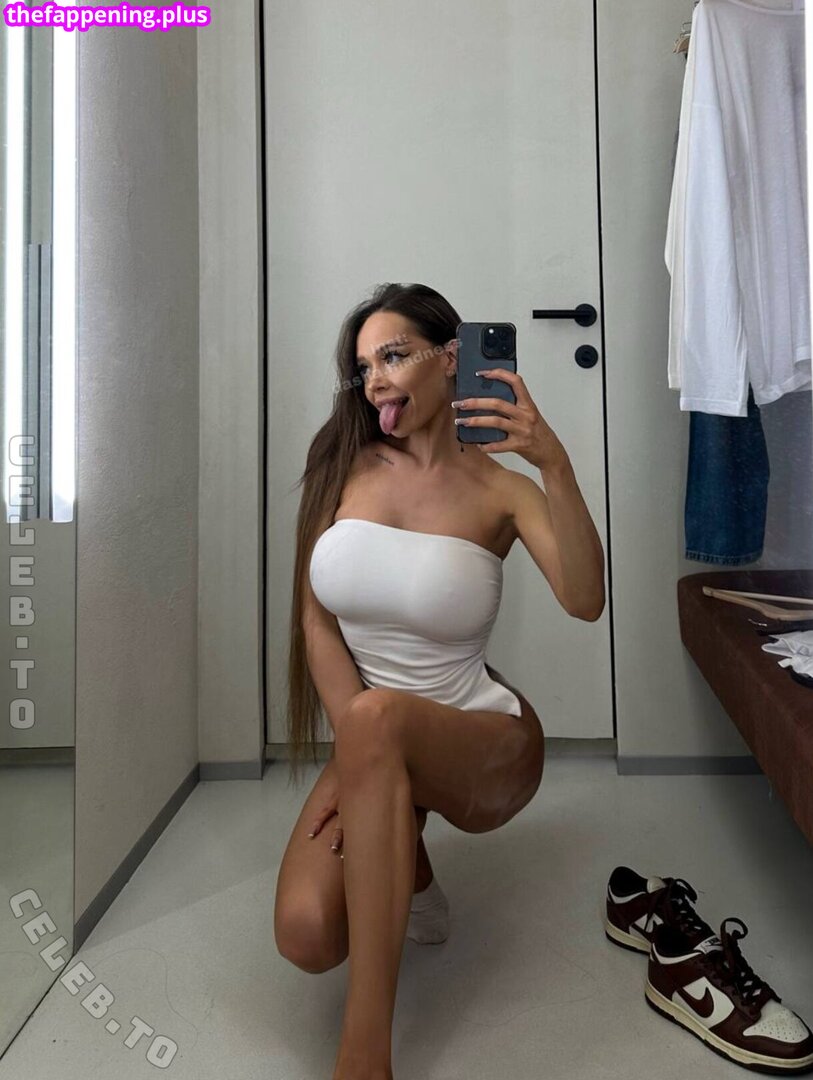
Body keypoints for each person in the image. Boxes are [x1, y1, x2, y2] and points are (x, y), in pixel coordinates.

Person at [274, 282, 605, 1080]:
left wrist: (552, 463)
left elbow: (585, 599)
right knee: (307, 933)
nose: (375, 381)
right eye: (364, 367)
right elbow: (316, 622)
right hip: (371, 737)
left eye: (393, 356)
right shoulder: (338, 464)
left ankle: (364, 1057)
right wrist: (355, 756)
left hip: (482, 739)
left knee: (377, 721)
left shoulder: (502, 489)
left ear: (451, 357)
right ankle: (409, 862)